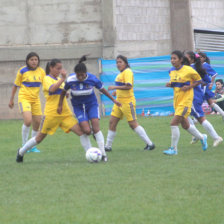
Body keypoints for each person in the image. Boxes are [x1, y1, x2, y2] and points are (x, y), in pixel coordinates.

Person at [16, 59, 92, 163]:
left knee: (81, 132)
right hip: (51, 114)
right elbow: (52, 89)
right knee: (39, 138)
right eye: (58, 68)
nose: (60, 70)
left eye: (61, 68)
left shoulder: (59, 80)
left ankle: (90, 154)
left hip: (65, 114)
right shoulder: (47, 78)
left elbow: (60, 91)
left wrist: (65, 93)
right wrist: (63, 79)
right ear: (51, 68)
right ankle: (21, 152)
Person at [58, 55, 121, 162]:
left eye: (82, 75)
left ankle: (103, 155)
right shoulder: (70, 80)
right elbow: (63, 92)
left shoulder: (92, 79)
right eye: (78, 75)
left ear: (86, 73)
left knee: (96, 127)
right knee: (87, 131)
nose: (80, 77)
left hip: (91, 104)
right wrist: (59, 105)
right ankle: (90, 152)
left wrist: (113, 100)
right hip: (78, 107)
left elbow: (103, 90)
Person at [104, 55, 155, 152]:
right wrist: (117, 92)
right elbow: (122, 86)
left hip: (128, 102)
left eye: (120, 62)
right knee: (112, 122)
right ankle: (107, 146)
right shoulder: (121, 73)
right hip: (119, 102)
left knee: (132, 124)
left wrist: (115, 88)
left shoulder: (128, 72)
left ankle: (150, 144)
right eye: (117, 62)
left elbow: (128, 86)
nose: (118, 64)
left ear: (126, 63)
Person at [163, 50, 208, 155]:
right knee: (185, 125)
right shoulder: (171, 71)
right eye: (171, 58)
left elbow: (199, 81)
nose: (172, 60)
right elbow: (176, 83)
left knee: (173, 123)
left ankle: (173, 149)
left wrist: (189, 86)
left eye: (174, 58)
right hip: (177, 101)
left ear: (181, 59)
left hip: (186, 101)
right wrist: (170, 84)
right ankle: (202, 137)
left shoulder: (189, 70)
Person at [184, 51, 223, 147]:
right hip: (192, 96)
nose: (184, 59)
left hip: (194, 96)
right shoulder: (195, 68)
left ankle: (215, 137)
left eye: (186, 58)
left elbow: (206, 80)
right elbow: (207, 80)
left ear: (192, 59)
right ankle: (196, 135)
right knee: (183, 114)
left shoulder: (191, 69)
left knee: (201, 118)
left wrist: (198, 85)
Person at [9, 52, 45, 153]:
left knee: (37, 122)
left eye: (36, 60)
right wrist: (11, 99)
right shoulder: (22, 71)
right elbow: (15, 85)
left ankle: (32, 146)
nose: (34, 62)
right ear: (27, 61)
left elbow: (46, 84)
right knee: (28, 121)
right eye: (32, 60)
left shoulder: (41, 71)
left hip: (36, 100)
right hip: (24, 98)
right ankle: (24, 145)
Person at [198, 52, 224, 119]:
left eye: (200, 57)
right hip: (201, 85)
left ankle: (197, 118)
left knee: (199, 100)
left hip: (204, 86)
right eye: (198, 57)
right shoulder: (199, 65)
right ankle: (223, 113)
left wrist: (211, 84)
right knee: (210, 102)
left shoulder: (205, 65)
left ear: (204, 58)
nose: (199, 58)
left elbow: (214, 74)